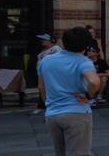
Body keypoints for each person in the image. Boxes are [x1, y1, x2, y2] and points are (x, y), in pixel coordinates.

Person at [41, 27, 102, 156]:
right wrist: (88, 95)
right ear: (86, 45)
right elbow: (95, 82)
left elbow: (41, 87)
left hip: (52, 113)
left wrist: (48, 103)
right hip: (76, 111)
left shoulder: (46, 60)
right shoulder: (83, 61)